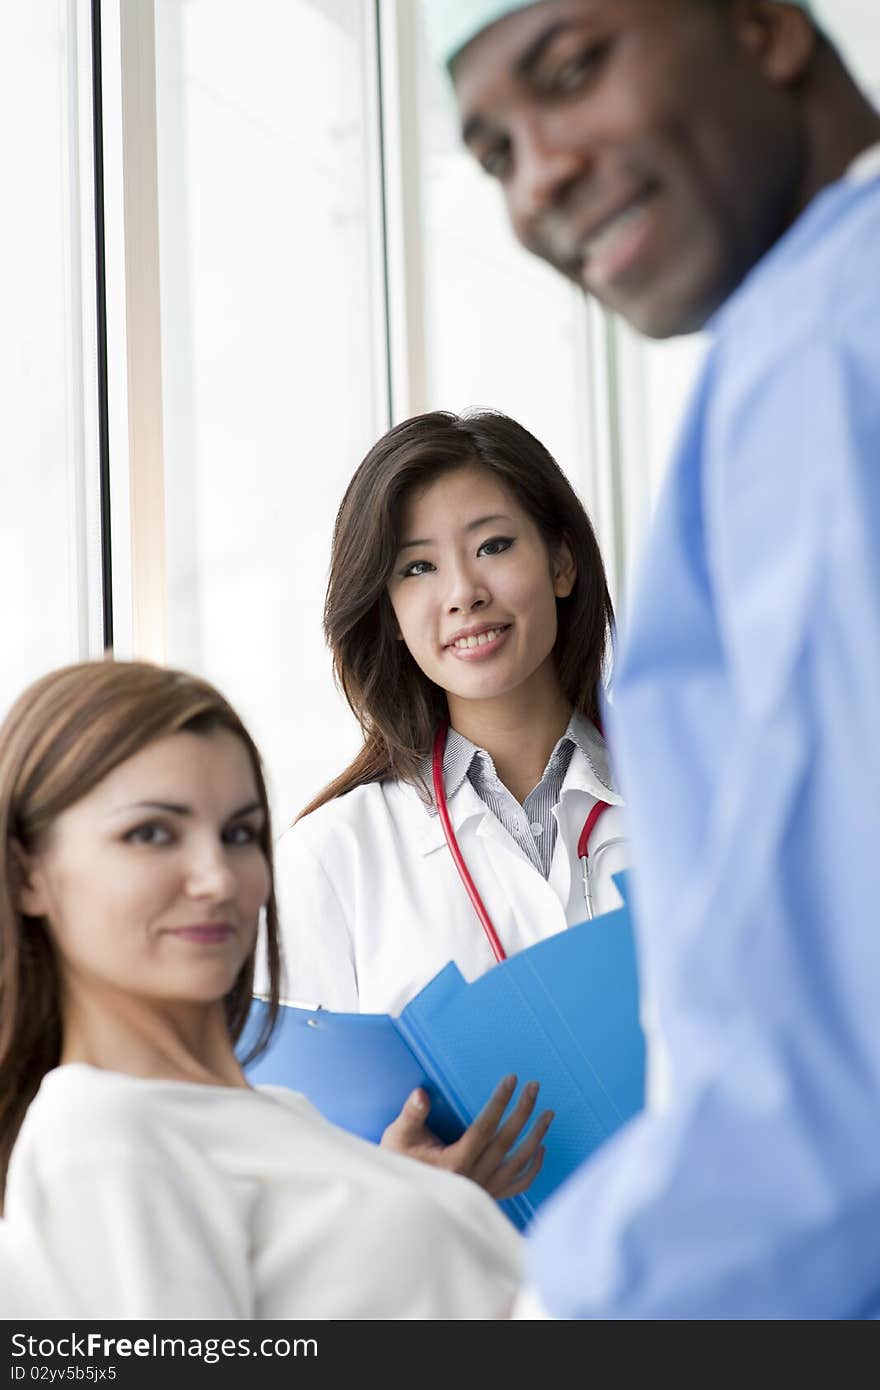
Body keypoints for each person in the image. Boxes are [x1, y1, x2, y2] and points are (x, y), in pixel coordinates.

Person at [425, 0, 880, 1317]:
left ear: (761, 26)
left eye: (571, 72)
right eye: (497, 153)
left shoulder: (815, 353)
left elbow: (833, 1081)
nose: (541, 176)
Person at [0, 659, 524, 1319]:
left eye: (239, 834)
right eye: (152, 833)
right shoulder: (105, 1134)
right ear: (28, 877)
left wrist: (404, 1201)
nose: (218, 878)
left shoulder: (276, 1116)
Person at [271, 408, 636, 1160]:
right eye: (417, 567)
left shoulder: (691, 804)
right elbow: (293, 1163)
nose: (464, 592)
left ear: (562, 563)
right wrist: (394, 1183)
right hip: (464, 1268)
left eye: (494, 546)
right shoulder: (333, 858)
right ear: (391, 613)